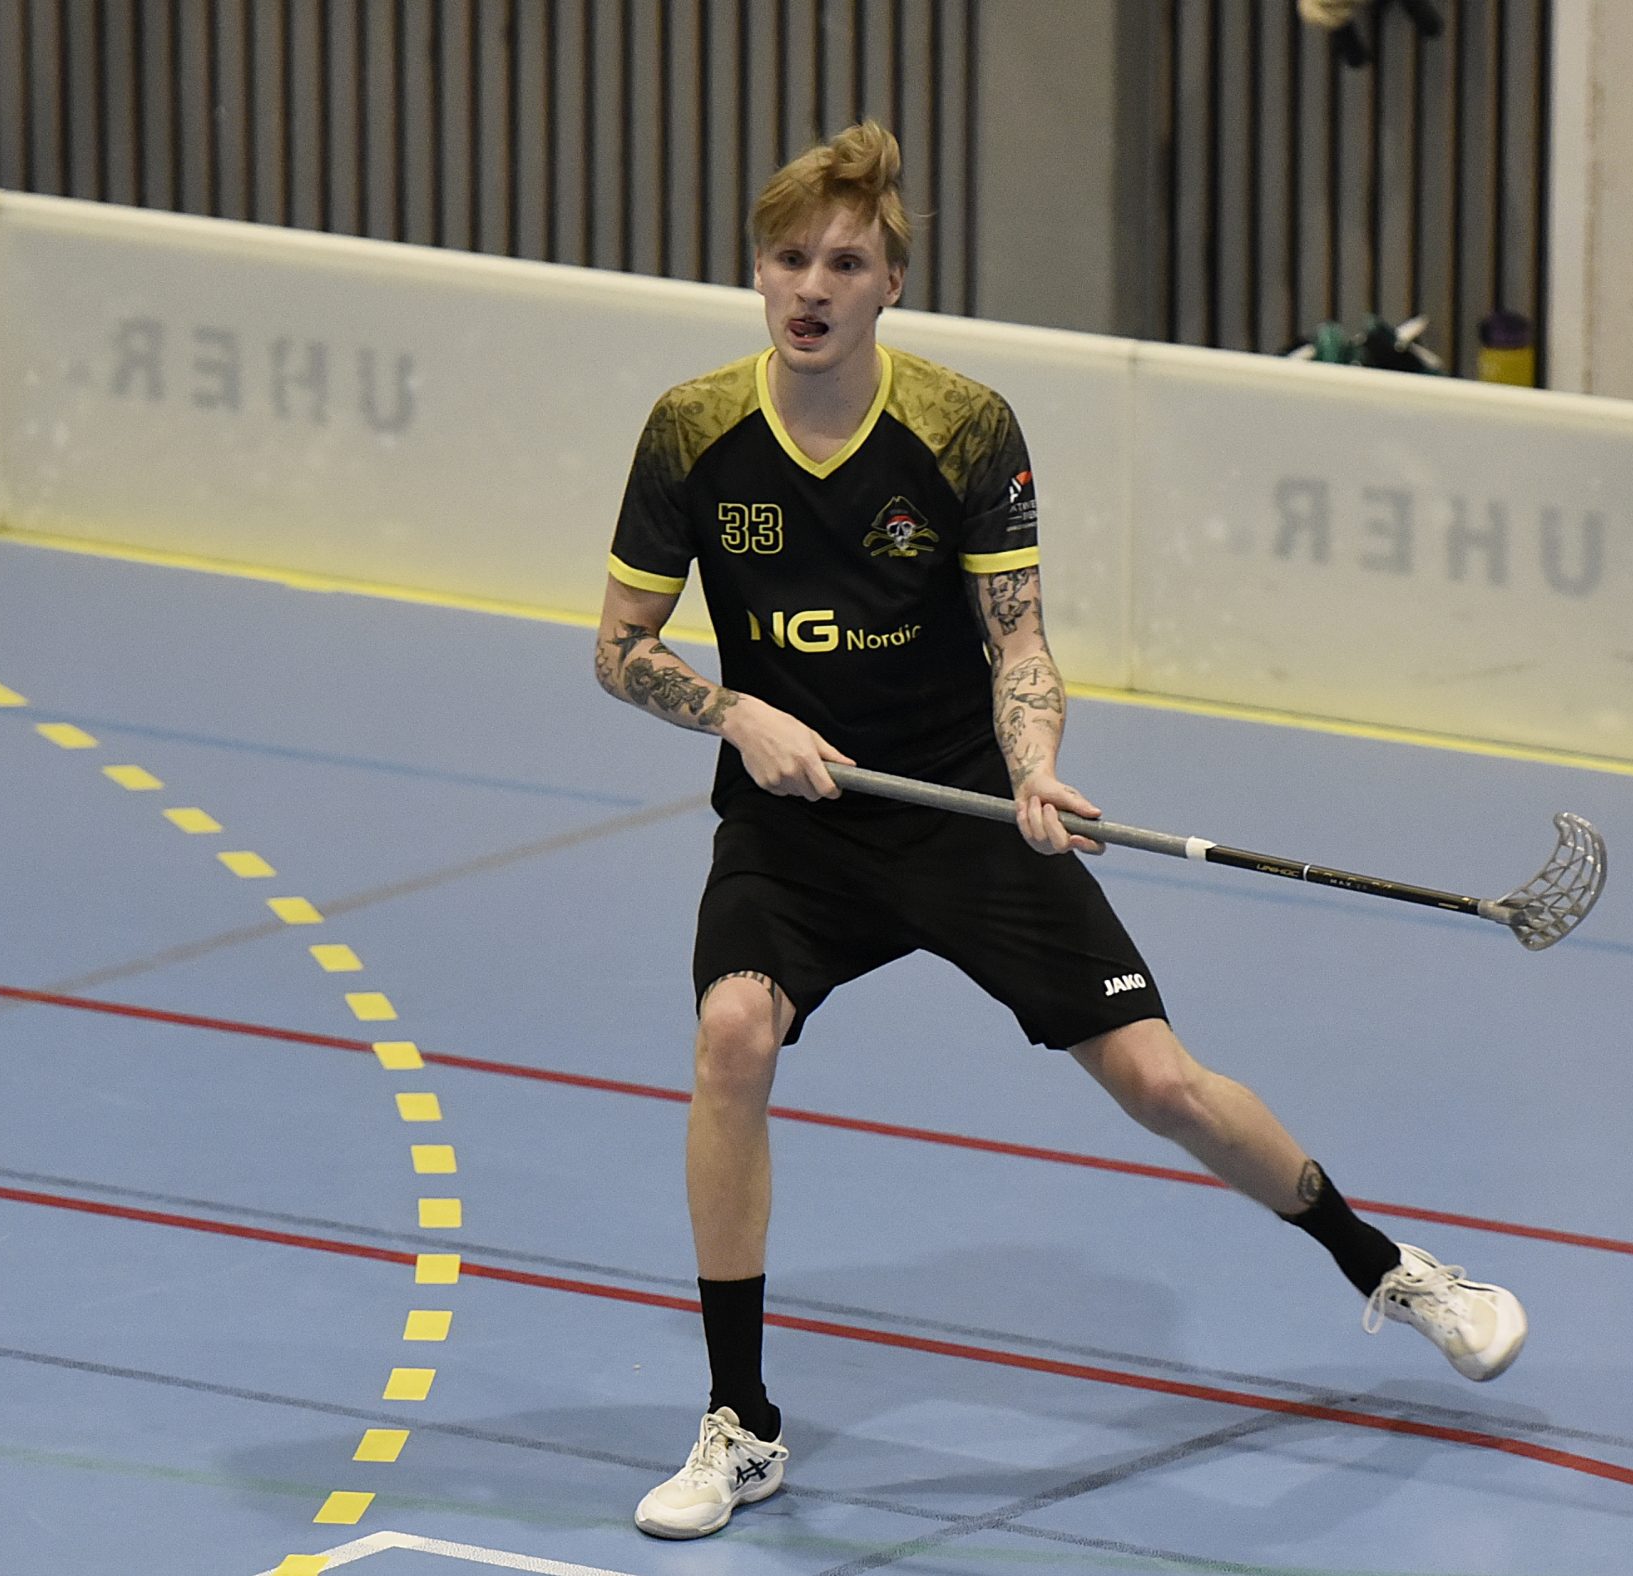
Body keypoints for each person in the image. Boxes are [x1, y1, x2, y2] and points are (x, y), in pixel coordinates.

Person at [594, 120, 1526, 1543]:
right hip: (795, 824)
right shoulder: (692, 430)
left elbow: (1018, 641)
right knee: (733, 1036)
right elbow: (620, 647)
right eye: (788, 258)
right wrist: (736, 714)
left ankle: (1388, 1268)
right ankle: (741, 1423)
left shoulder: (964, 426)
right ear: (757, 268)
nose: (812, 287)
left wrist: (1034, 769)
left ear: (892, 280)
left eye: (844, 262)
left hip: (960, 806)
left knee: (1160, 1082)